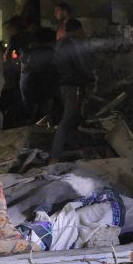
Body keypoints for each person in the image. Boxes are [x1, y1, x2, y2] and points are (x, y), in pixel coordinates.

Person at [49, 19, 94, 163]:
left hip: (62, 85)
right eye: (82, 31)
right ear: (77, 30)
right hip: (72, 85)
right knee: (68, 118)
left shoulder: (59, 43)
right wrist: (91, 78)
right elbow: (82, 65)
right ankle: (54, 156)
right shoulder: (73, 44)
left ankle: (72, 146)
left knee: (73, 116)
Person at [21, 27, 56, 122]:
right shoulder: (50, 52)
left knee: (32, 110)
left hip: (29, 82)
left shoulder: (29, 51)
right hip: (41, 84)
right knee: (44, 111)